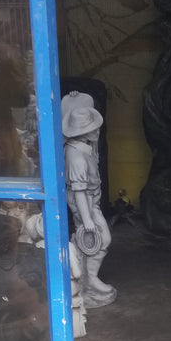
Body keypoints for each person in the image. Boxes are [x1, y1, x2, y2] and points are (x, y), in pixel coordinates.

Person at [63, 105, 116, 307]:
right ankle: (89, 280)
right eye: (91, 128)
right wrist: (86, 219)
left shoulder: (83, 147)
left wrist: (75, 99)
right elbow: (78, 192)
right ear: (81, 132)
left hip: (91, 200)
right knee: (96, 239)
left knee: (94, 241)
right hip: (84, 202)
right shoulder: (76, 157)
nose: (96, 130)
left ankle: (87, 279)